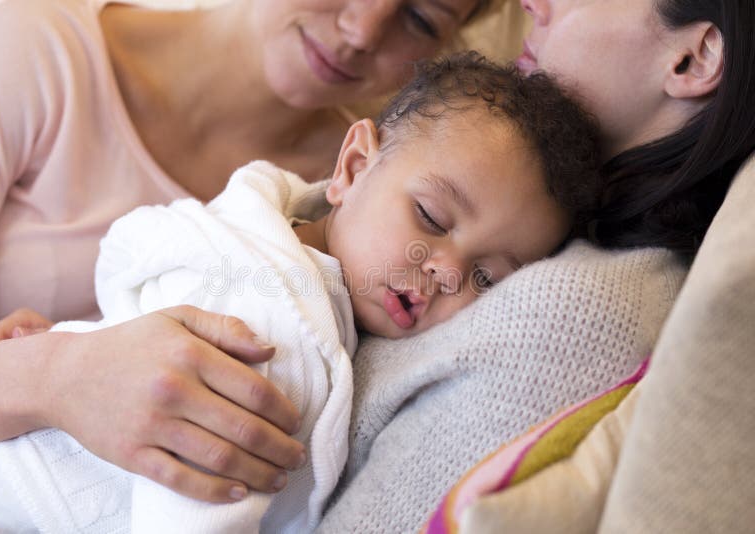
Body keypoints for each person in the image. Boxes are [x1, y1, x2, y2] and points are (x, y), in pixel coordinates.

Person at [0, 54, 602, 532]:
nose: (445, 272)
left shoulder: (277, 245)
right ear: (352, 168)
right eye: (431, 219)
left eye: (487, 278)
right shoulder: (274, 327)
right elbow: (189, 506)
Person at [313, 0, 755, 531]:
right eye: (430, 217)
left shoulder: (574, 314)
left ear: (693, 60)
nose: (533, 4)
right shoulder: (538, 223)